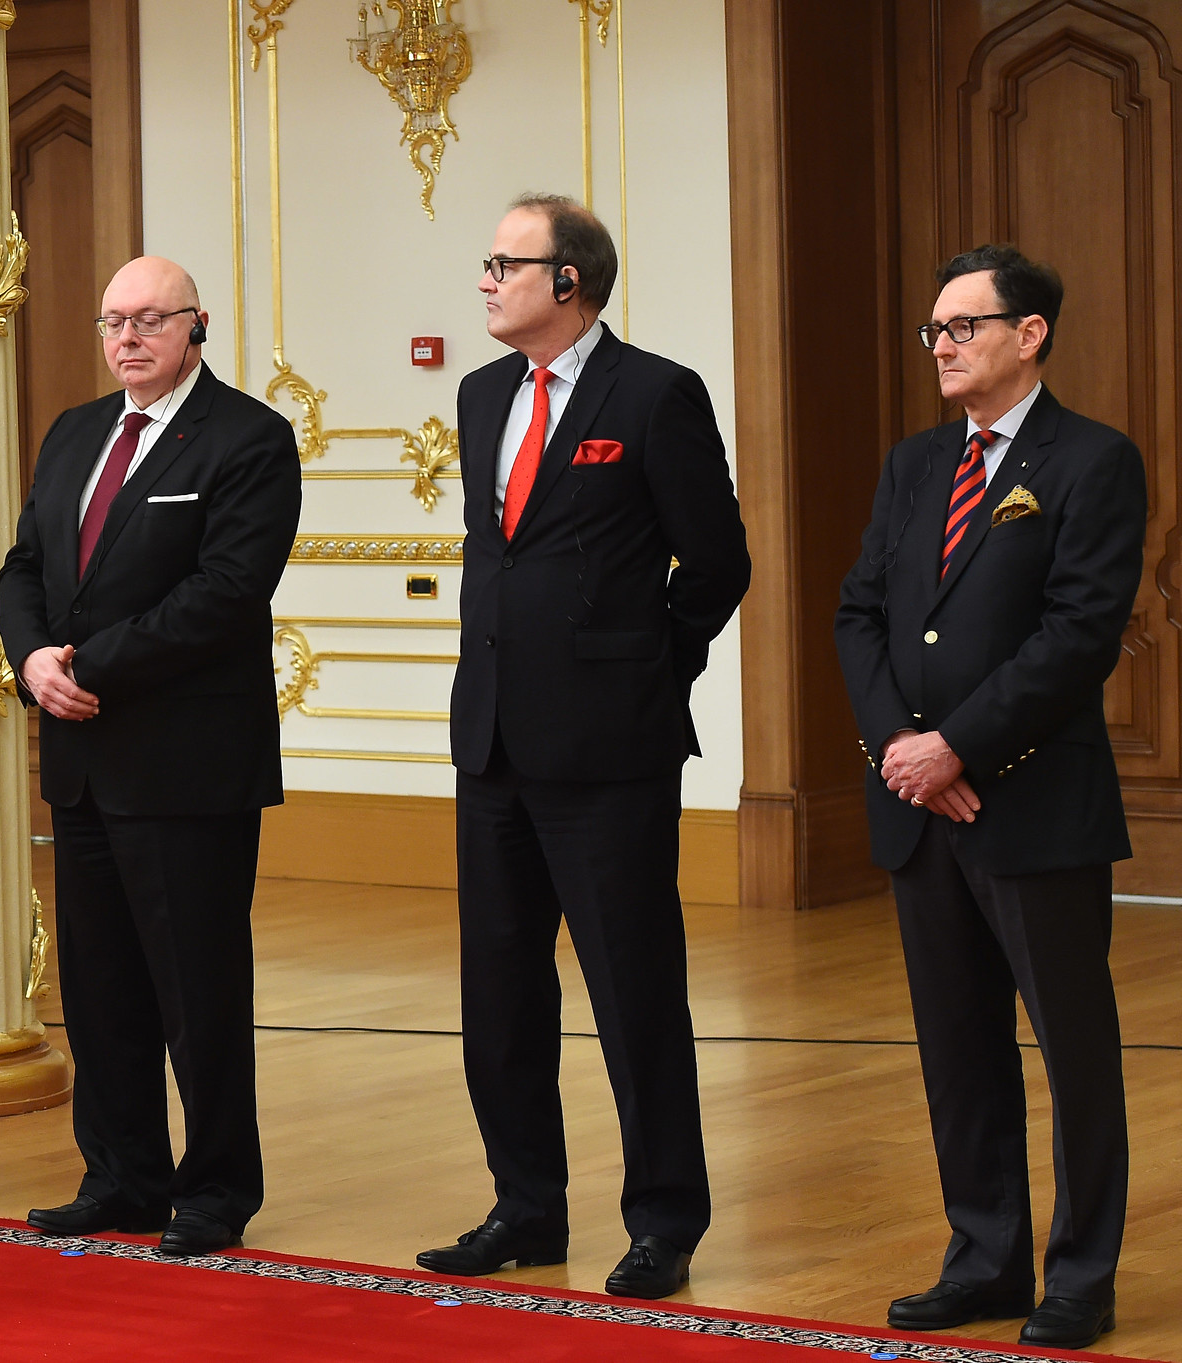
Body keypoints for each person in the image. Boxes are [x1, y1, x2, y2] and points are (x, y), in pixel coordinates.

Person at [422, 194, 749, 1298]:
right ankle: (524, 1206)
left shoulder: (653, 393)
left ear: (567, 280)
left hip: (610, 748)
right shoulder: (478, 397)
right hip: (494, 741)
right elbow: (498, 557)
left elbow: (713, 562)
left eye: (501, 262)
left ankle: (662, 1219)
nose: (483, 280)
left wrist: (650, 670)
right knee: (499, 993)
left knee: (632, 990)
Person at [835, 246, 1142, 1352]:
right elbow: (858, 612)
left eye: (962, 327)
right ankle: (982, 1257)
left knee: (1071, 1047)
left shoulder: (1090, 461)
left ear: (1029, 335)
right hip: (919, 809)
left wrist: (956, 747)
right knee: (956, 1047)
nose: (941, 347)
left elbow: (1076, 635)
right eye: (932, 330)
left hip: (1030, 804)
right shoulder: (914, 464)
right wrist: (898, 748)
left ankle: (1078, 1273)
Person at [0, 256, 301, 1257]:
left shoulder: (249, 439)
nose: (126, 338)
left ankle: (214, 1189)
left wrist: (88, 664)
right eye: (112, 321)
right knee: (98, 987)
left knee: (196, 988)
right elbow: (24, 567)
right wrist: (31, 656)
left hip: (186, 765)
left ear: (194, 326)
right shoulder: (76, 432)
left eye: (148, 320)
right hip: (81, 755)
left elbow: (223, 592)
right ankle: (120, 1175)